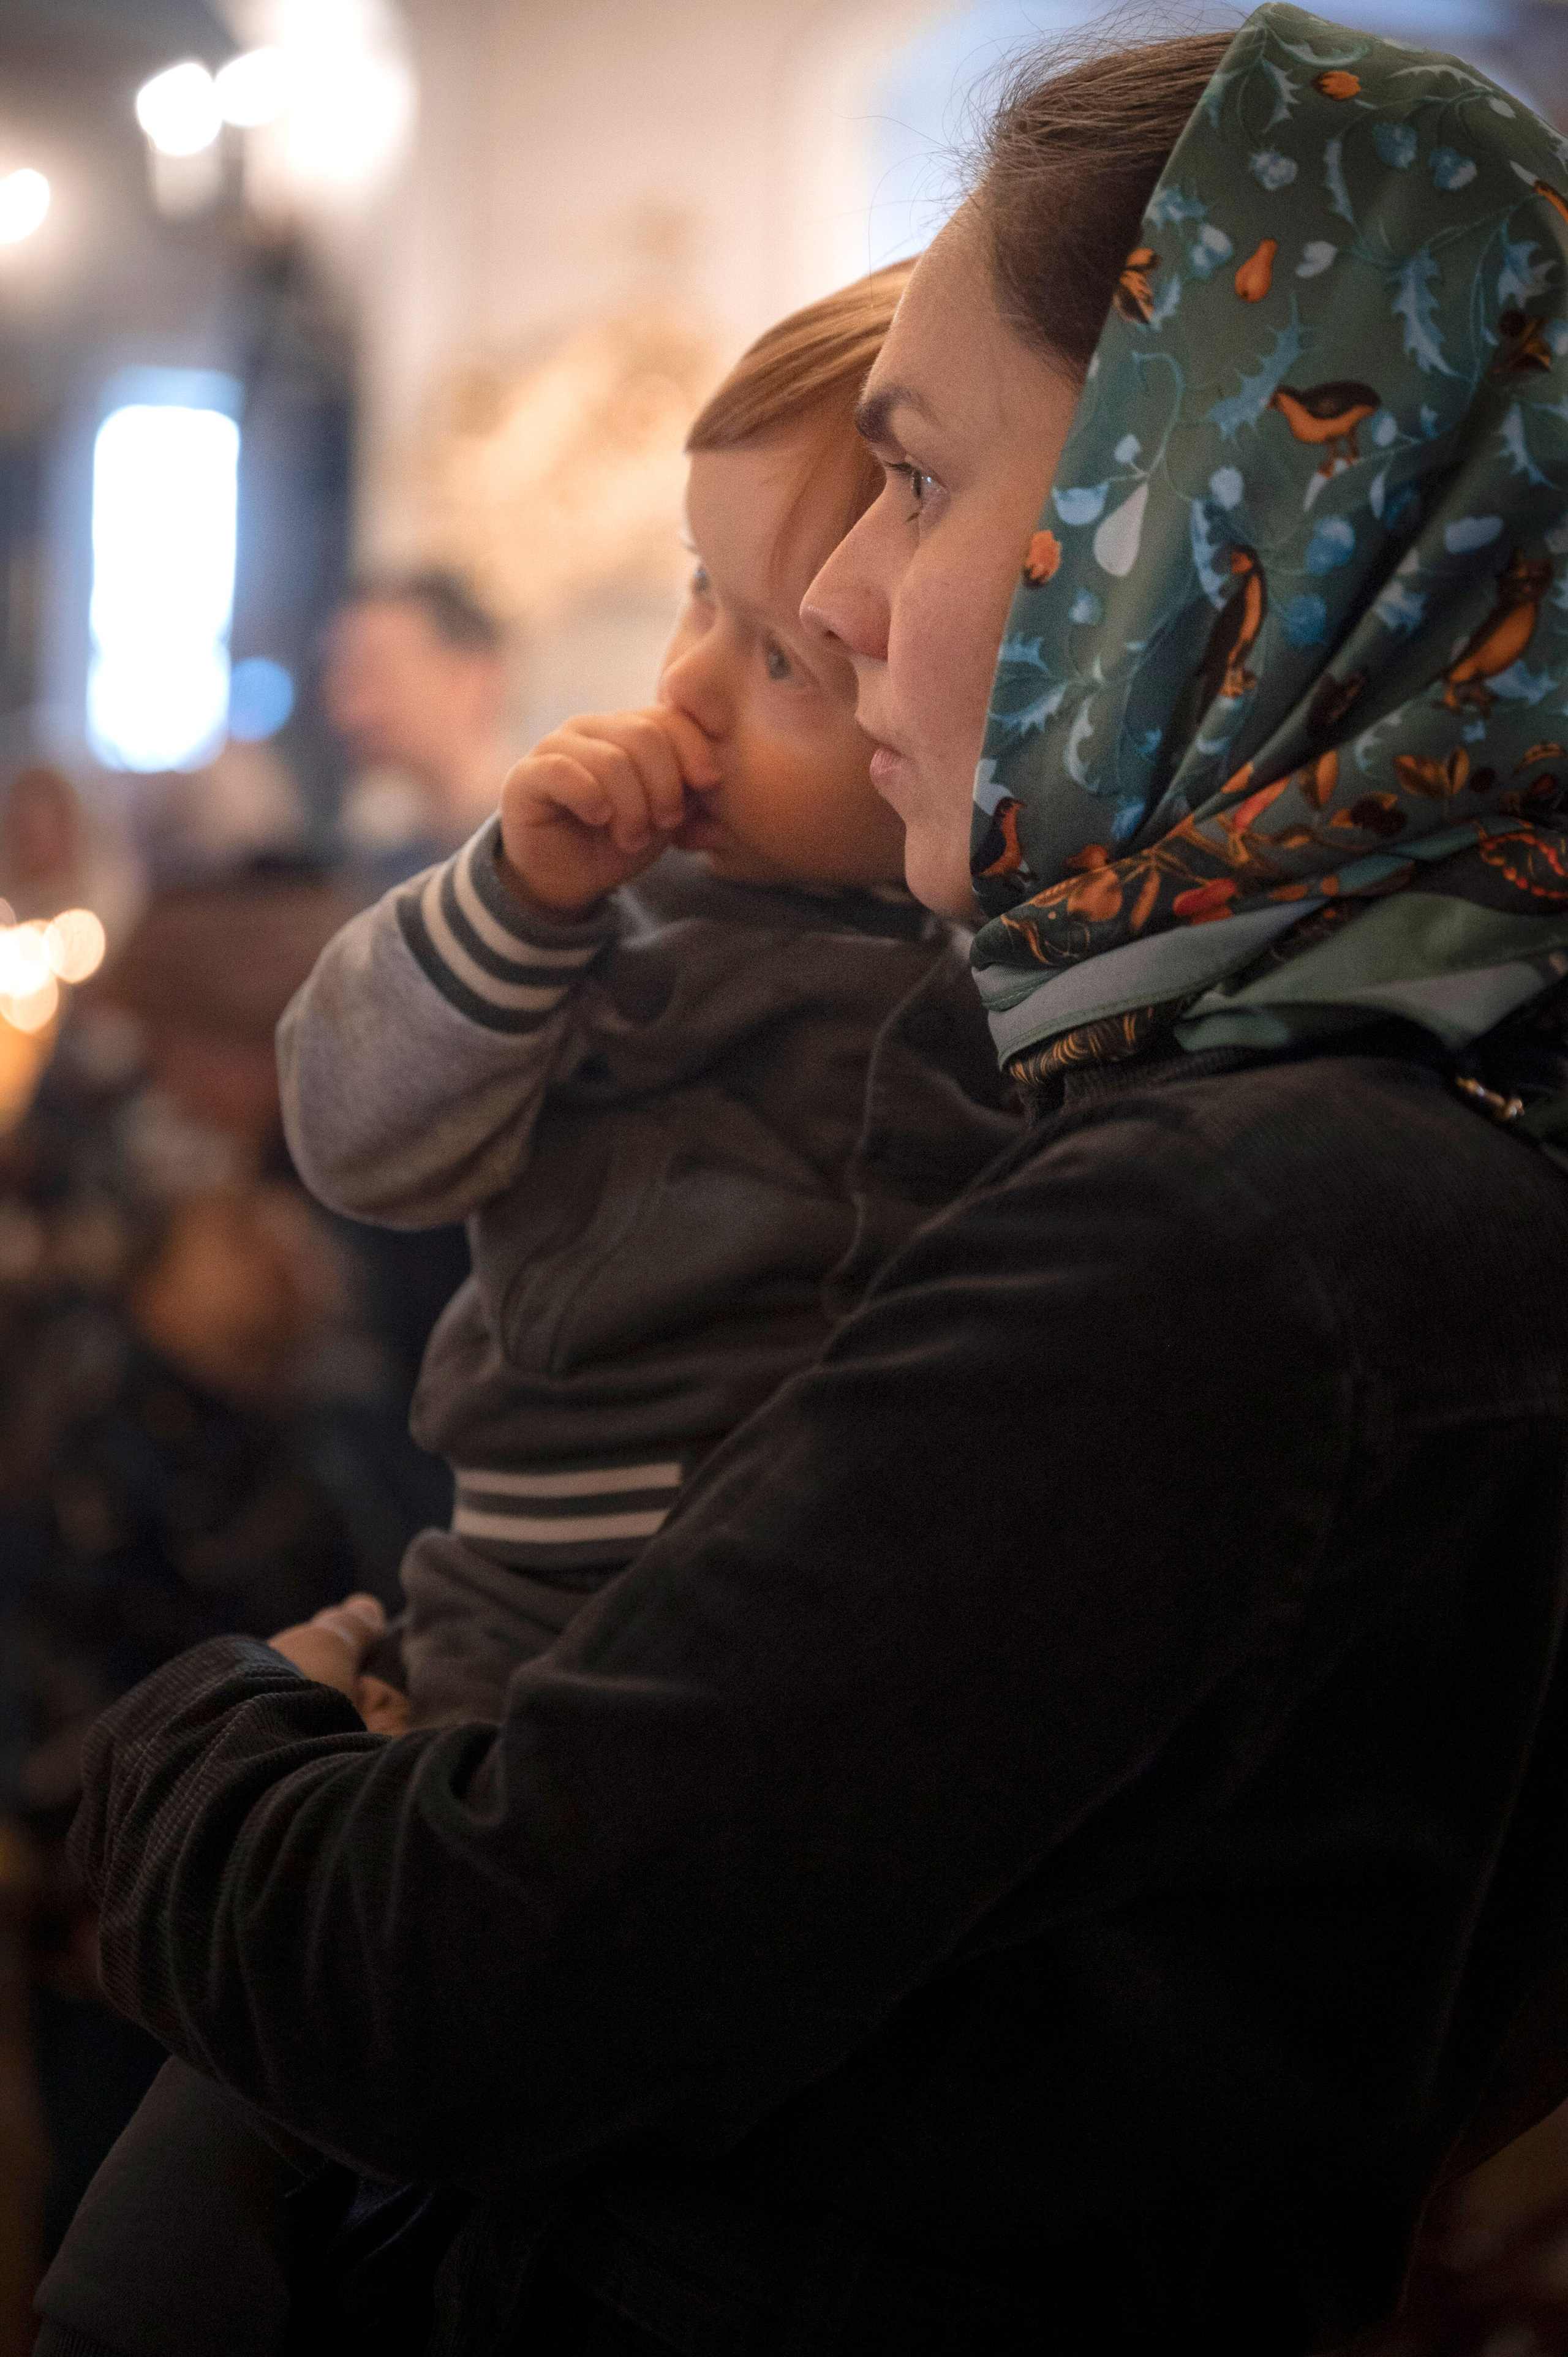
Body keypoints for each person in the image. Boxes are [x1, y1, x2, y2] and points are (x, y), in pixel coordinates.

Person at [36, 6, 1568, 2352]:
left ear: (1208, 515)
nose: (841, 601)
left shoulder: (1225, 1224)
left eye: (919, 482)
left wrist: (179, 1741)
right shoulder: (1383, 1105)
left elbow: (471, 1976)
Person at [34, 264, 1018, 2349]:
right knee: (202, 2192)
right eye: (695, 598)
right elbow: (358, 1127)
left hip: (699, 1694)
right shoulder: (610, 919)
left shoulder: (990, 982)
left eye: (782, 654)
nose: (691, 683)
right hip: (480, 1617)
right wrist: (512, 899)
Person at [321, 571, 514, 886]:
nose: (346, 710)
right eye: (338, 678)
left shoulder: (541, 856)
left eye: (370, 673)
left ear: (472, 679)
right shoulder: (384, 862)